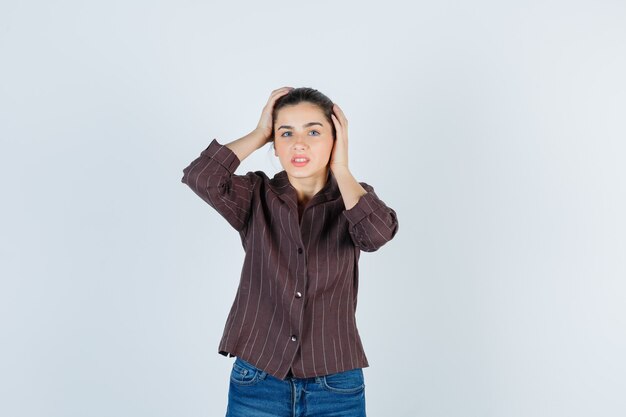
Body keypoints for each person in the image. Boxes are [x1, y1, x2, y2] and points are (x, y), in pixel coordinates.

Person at [181, 86, 399, 417]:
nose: (299, 143)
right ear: (275, 145)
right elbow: (202, 177)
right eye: (286, 133)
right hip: (258, 380)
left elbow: (377, 234)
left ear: (335, 138)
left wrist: (342, 168)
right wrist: (258, 134)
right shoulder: (256, 195)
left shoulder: (354, 199)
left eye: (314, 131)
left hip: (335, 385)